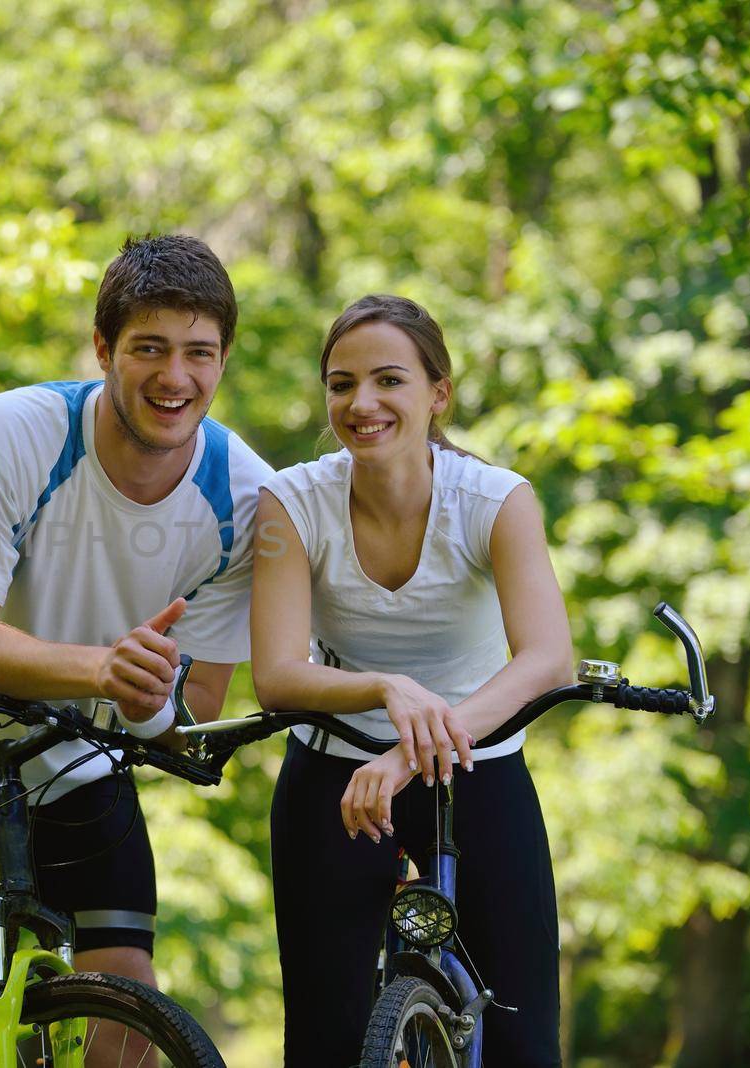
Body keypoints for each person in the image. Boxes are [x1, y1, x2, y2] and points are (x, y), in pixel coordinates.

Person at [0, 234, 274, 1067]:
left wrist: (151, 706)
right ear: (102, 348)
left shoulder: (248, 500)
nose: (174, 378)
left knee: (127, 1000)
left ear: (223, 360)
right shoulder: (15, 431)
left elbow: (198, 708)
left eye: (198, 353)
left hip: (70, 746)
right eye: (148, 348)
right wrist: (103, 670)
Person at [251, 294, 575, 1067]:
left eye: (388, 380)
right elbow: (276, 676)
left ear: (439, 393)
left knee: (524, 1043)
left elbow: (547, 658)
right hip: (336, 775)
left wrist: (410, 753)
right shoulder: (291, 503)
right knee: (326, 1039)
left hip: (478, 769)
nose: (361, 403)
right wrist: (385, 688)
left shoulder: (496, 501)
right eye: (340, 383)